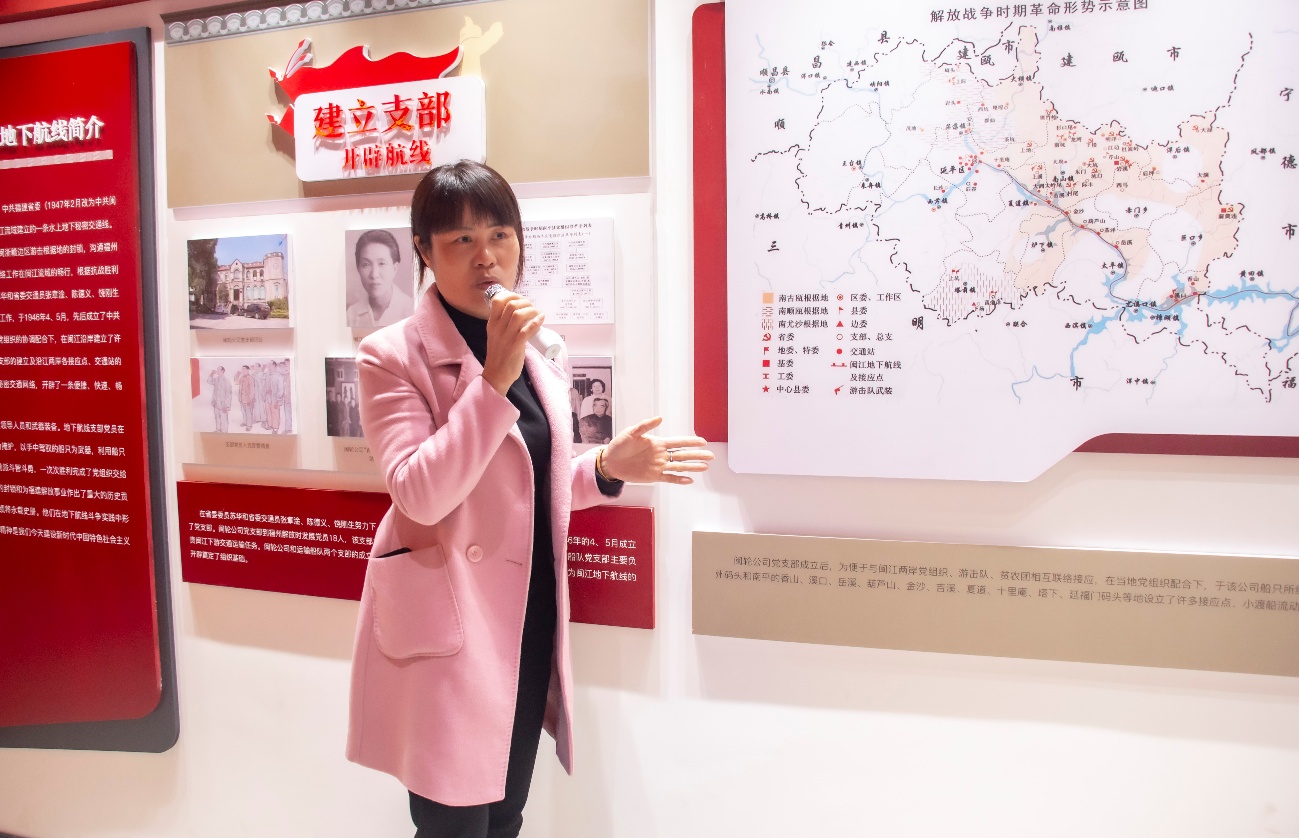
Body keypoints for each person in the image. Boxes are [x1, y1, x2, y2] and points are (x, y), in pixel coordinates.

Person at [347, 160, 713, 838]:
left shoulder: (542, 348)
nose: (486, 257)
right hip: (450, 625)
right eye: (460, 240)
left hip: (525, 615)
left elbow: (523, 485)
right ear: (423, 251)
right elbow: (420, 493)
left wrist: (604, 467)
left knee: (506, 817)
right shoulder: (390, 356)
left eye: (500, 235)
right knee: (453, 827)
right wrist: (492, 381)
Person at [347, 229, 416, 329]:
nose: (374, 275)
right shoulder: (352, 313)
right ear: (358, 268)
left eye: (382, 263)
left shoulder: (411, 309)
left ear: (394, 268)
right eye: (366, 264)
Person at [207, 365, 232, 433]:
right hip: (216, 402)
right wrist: (212, 374)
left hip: (223, 404)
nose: (217, 371)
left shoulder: (227, 381)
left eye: (218, 370)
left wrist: (227, 405)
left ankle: (224, 432)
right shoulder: (216, 379)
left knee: (224, 419)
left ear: (222, 371)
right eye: (217, 369)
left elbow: (229, 394)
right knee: (217, 417)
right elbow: (209, 381)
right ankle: (218, 430)